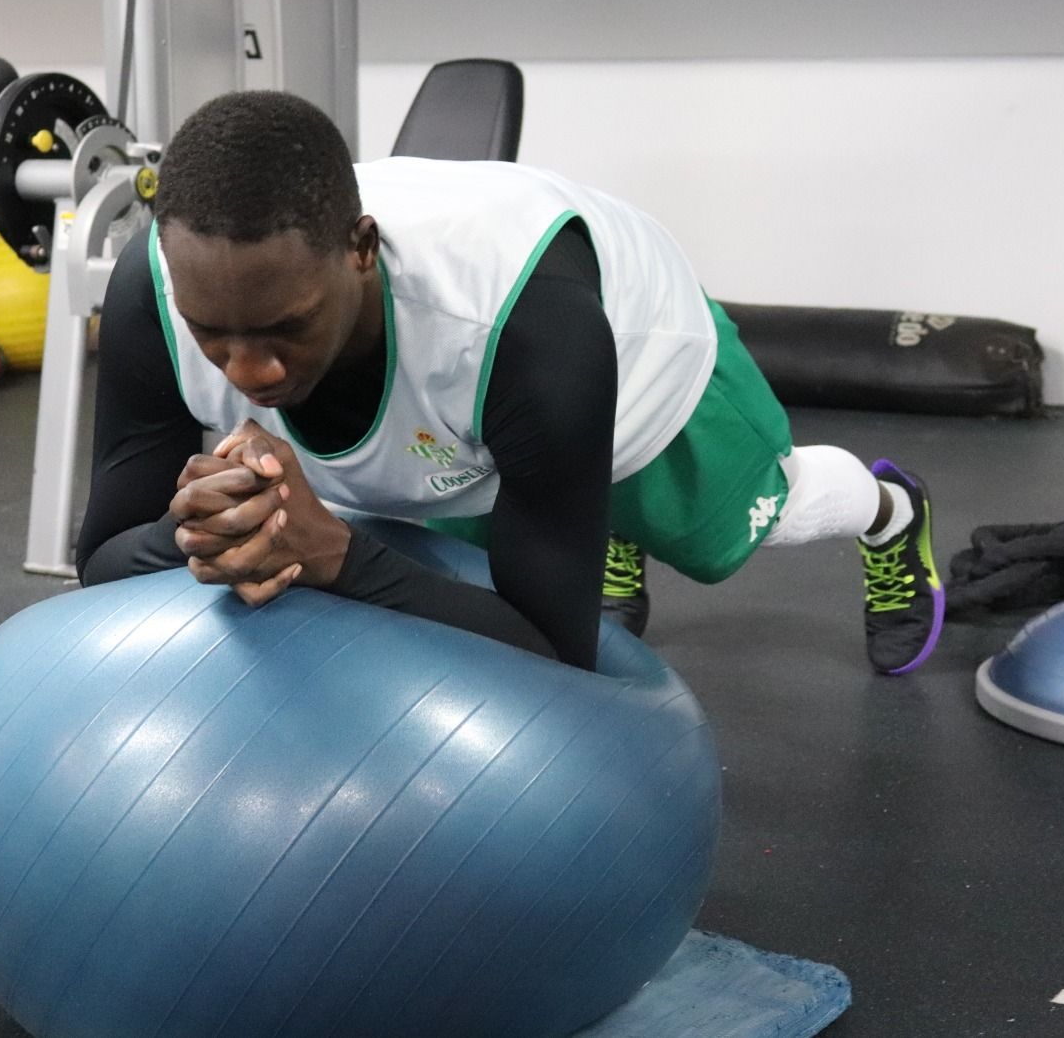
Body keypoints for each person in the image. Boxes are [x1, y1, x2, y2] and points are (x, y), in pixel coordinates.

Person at [76, 90, 943, 675]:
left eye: (286, 329)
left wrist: (331, 552)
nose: (248, 373)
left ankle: (889, 510)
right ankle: (575, 514)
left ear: (361, 249)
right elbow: (103, 560)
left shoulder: (526, 331)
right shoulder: (153, 293)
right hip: (470, 431)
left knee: (756, 523)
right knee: (472, 533)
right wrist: (205, 532)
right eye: (213, 335)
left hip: (634, 368)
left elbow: (557, 648)